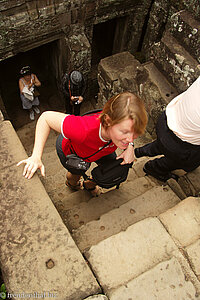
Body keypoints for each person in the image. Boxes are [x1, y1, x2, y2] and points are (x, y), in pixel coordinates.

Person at [17, 92, 148, 196]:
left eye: (135, 133)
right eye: (124, 132)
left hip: (101, 149)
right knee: (75, 174)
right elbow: (46, 118)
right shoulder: (83, 130)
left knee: (113, 169)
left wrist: (130, 147)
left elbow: (129, 135)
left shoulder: (122, 130)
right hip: (75, 152)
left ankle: (89, 184)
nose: (130, 138)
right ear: (108, 121)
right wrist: (36, 156)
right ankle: (72, 185)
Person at [134, 76, 200, 182]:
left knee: (162, 143)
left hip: (167, 118)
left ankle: (142, 151)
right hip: (179, 145)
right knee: (188, 161)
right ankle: (154, 167)